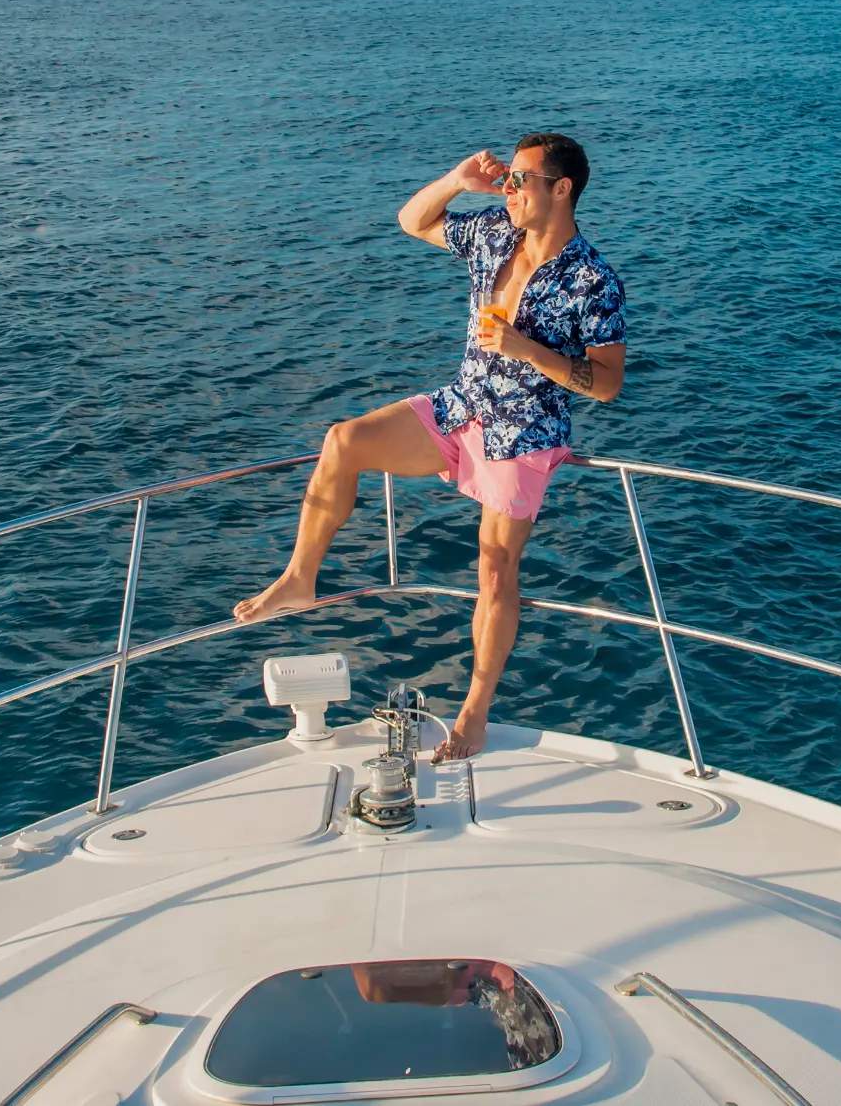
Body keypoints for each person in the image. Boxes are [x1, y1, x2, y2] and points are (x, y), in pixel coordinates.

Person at [233, 134, 626, 760]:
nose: (510, 188)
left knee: (495, 570)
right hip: (460, 405)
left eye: (522, 179)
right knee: (345, 441)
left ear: (562, 189)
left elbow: (606, 383)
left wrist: (529, 351)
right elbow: (413, 221)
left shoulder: (592, 280)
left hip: (522, 433)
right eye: (510, 179)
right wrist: (456, 178)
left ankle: (474, 714)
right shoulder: (496, 232)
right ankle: (300, 577)